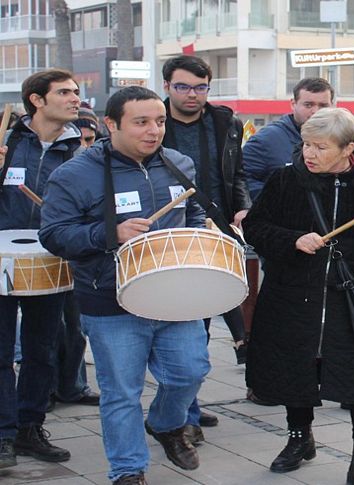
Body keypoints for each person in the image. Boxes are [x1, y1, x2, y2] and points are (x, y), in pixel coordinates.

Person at [39, 86, 212, 485]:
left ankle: (166, 424)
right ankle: (128, 470)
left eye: (160, 122)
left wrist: (204, 227)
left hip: (175, 294)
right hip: (110, 297)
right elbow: (54, 234)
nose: (154, 131)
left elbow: (193, 208)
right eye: (141, 122)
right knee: (121, 392)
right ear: (110, 124)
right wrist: (108, 233)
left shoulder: (178, 163)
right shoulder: (74, 174)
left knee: (190, 372)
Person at [243, 107, 354, 485]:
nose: (310, 153)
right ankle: (299, 437)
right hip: (295, 294)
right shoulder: (286, 179)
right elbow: (256, 228)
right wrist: (293, 240)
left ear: (348, 148)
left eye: (321, 147)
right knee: (296, 368)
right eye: (306, 144)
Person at [161, 55, 252, 442]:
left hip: (217, 229)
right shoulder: (152, 121)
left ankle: (188, 407)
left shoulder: (224, 123)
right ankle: (184, 412)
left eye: (200, 87)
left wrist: (243, 205)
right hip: (168, 232)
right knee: (179, 325)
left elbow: (237, 173)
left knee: (198, 324)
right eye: (183, 87)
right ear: (166, 86)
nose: (192, 95)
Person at [0, 69, 83, 469]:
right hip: (0, 259)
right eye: (64, 92)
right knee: (0, 350)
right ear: (36, 100)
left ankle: (30, 427)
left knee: (41, 349)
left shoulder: (80, 148)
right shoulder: (7, 140)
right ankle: (3, 432)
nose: (74, 98)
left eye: (76, 92)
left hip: (51, 258)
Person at [48, 104, 103, 412]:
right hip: (39, 245)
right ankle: (44, 389)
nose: (85, 145)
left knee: (75, 325)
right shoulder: (20, 144)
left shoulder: (88, 160)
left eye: (91, 138)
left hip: (79, 249)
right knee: (46, 328)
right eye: (80, 138)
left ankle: (72, 385)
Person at [243, 77, 334, 201]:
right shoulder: (266, 140)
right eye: (308, 105)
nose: (316, 111)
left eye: (323, 106)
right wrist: (281, 200)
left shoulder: (340, 140)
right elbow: (242, 180)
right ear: (293, 104)